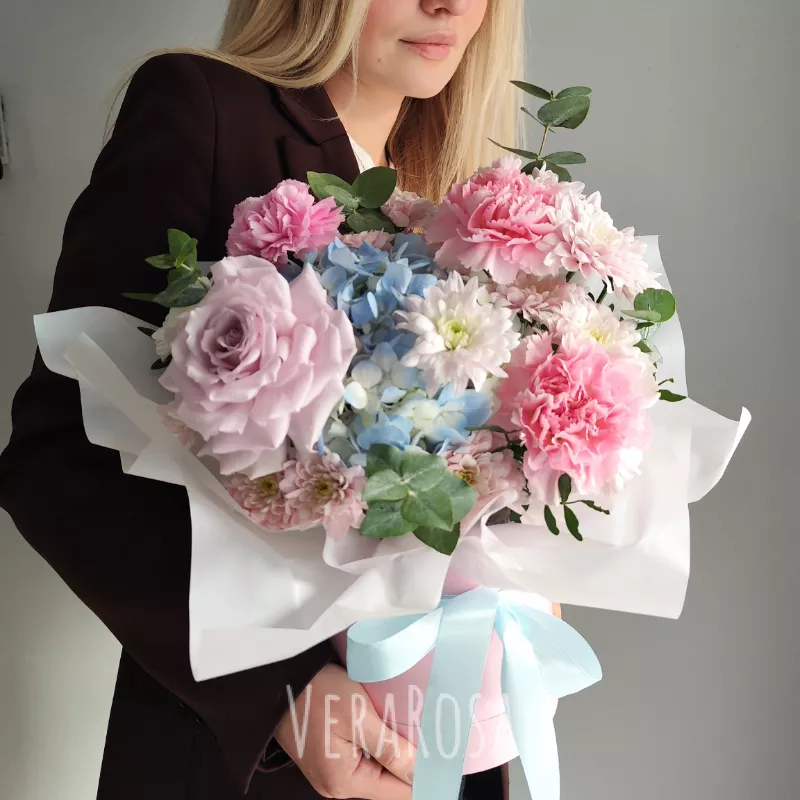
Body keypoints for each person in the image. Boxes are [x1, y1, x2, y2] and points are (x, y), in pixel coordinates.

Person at [0, 1, 523, 798]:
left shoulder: (476, 189)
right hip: (247, 759)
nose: (447, 3)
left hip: (450, 742)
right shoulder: (204, 110)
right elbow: (57, 459)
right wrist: (285, 694)